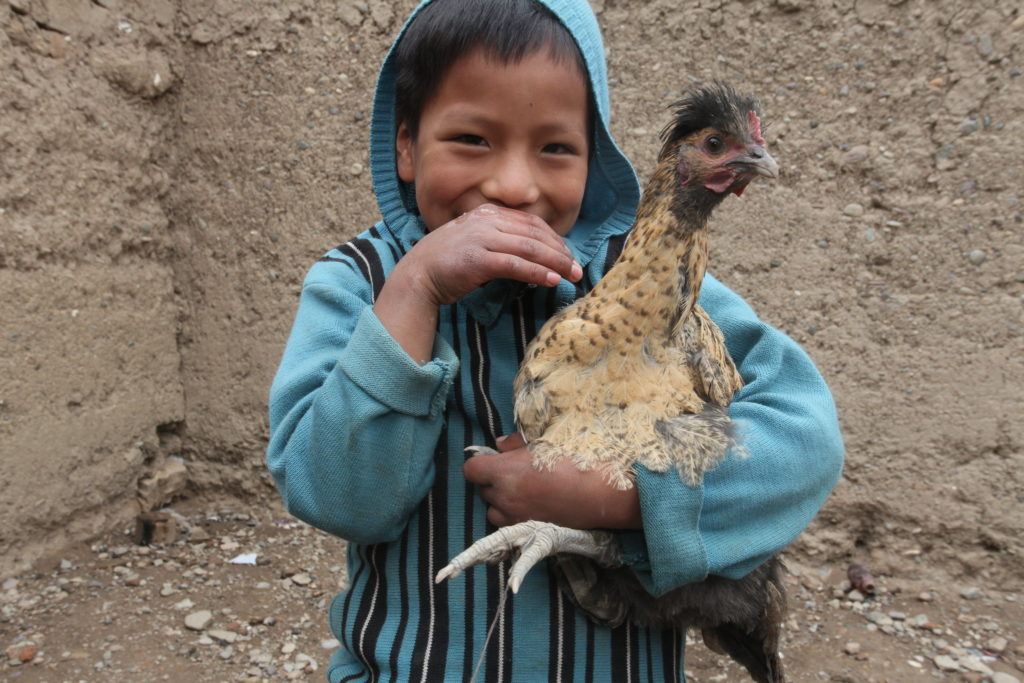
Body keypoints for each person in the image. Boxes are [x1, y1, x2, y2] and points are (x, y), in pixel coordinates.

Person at [266, 0, 845, 680]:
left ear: (594, 160)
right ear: (405, 145)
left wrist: (617, 496)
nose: (514, 185)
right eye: (472, 140)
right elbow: (336, 498)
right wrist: (414, 291)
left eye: (555, 148)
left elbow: (807, 443)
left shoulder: (645, 278)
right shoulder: (361, 284)